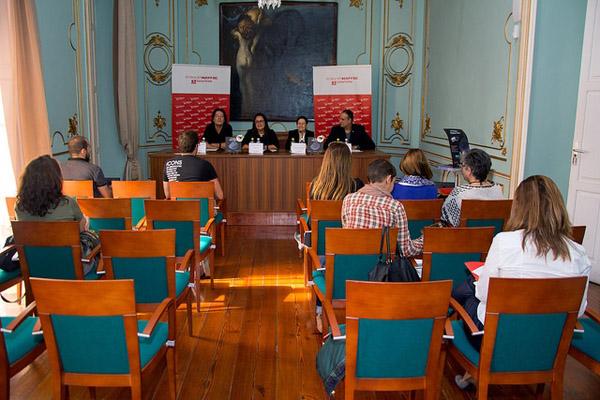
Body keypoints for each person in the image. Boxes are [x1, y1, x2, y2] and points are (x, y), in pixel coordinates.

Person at [452, 175, 591, 388]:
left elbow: (484, 296)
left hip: (499, 337)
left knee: (468, 290)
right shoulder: (578, 252)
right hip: (548, 341)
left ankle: (466, 361)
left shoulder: (504, 242)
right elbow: (579, 310)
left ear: (519, 207)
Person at [342, 159, 422, 257]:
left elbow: (346, 232)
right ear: (388, 179)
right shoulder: (395, 207)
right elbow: (405, 250)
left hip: (351, 262)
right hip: (382, 268)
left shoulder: (349, 199)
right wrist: (424, 240)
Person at [15, 155, 87, 232]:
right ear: (55, 179)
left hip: (31, 244)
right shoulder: (68, 203)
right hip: (63, 243)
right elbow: (81, 228)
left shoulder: (19, 206)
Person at [441, 148, 503, 227]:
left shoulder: (460, 193)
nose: (461, 168)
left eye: (462, 165)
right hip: (492, 238)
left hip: (465, 238)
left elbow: (446, 222)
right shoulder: (498, 190)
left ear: (469, 170)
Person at [163, 130, 224, 200]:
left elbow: (167, 195)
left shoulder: (168, 164)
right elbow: (220, 195)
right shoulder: (205, 164)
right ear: (196, 147)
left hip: (177, 209)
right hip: (201, 210)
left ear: (179, 146)